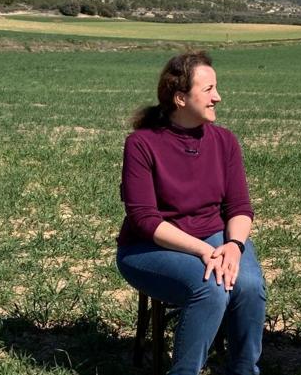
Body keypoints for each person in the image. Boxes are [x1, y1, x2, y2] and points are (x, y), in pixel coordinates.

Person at [116, 51, 266, 375]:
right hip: (147, 246)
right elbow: (145, 219)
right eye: (209, 89)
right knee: (209, 288)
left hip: (214, 235)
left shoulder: (225, 141)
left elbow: (239, 207)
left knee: (250, 284)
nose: (218, 97)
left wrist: (233, 246)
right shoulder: (141, 144)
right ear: (180, 98)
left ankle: (243, 371)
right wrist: (204, 250)